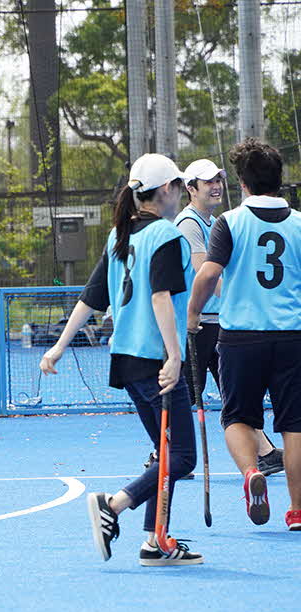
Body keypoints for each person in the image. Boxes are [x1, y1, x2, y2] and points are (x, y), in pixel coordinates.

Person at [40, 153, 202, 566]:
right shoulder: (165, 236)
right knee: (181, 456)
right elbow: (161, 297)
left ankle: (155, 541)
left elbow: (91, 298)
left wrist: (60, 346)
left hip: (126, 360)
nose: (180, 193)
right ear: (167, 190)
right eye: (179, 187)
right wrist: (175, 356)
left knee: (163, 450)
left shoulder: (120, 235)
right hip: (154, 358)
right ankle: (113, 504)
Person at [187, 139, 301, 531]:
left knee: (237, 416)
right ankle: (298, 510)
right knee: (294, 424)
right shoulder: (300, 223)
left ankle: (251, 472)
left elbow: (208, 273)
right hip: (292, 336)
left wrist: (193, 314)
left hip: (240, 337)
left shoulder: (230, 222)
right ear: (280, 180)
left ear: (242, 182)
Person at [173, 158, 284, 477]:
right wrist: (242, 297)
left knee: (235, 390)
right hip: (197, 323)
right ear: (190, 188)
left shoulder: (215, 221)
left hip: (218, 322)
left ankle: (263, 452)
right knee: (184, 392)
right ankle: (164, 453)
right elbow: (201, 271)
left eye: (218, 179)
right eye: (207, 182)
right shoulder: (189, 223)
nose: (216, 185)